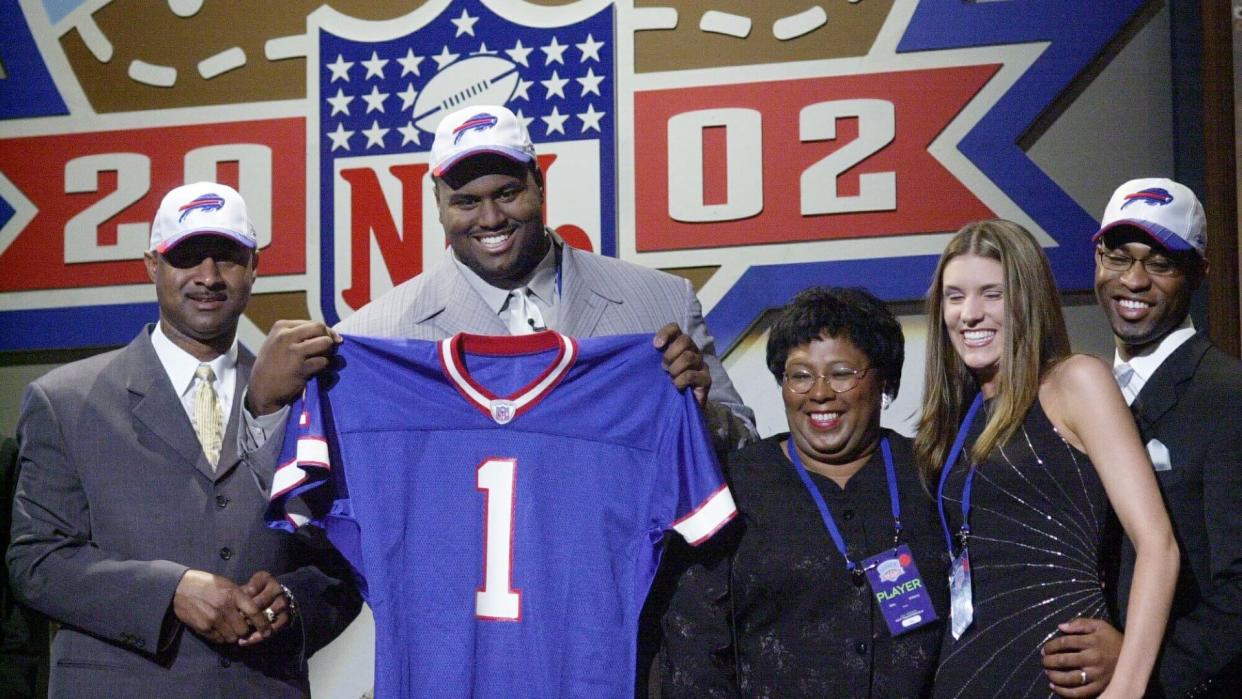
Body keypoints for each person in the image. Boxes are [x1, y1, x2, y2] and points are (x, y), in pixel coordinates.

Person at [6, 182, 361, 698]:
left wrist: (292, 598)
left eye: (228, 258)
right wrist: (170, 591)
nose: (209, 276)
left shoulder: (309, 401)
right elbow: (36, 564)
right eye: (187, 257)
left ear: (255, 265)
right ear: (153, 264)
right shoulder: (64, 401)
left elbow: (343, 557)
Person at [244, 103, 756, 454]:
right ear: (437, 204)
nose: (490, 219)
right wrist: (263, 406)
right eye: (466, 201)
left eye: (507, 193)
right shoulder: (373, 337)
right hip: (462, 607)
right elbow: (321, 495)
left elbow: (747, 450)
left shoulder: (659, 300)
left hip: (638, 602)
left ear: (539, 182)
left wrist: (701, 413)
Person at [916, 219, 1178, 698]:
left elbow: (1158, 545)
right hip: (965, 675)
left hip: (1059, 677)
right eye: (955, 297)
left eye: (991, 294)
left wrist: (1127, 689)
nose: (969, 314)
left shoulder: (1076, 382)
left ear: (1027, 299)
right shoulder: (957, 414)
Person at [660, 287, 946, 697]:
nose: (819, 392)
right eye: (800, 375)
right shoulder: (733, 488)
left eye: (842, 373)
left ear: (884, 379)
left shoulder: (932, 476)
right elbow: (693, 648)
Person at [1041, 178, 1242, 698]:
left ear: (1198, 273)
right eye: (1118, 257)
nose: (1133, 280)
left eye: (1159, 263)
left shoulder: (1228, 396)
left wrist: (1138, 668)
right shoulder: (1078, 394)